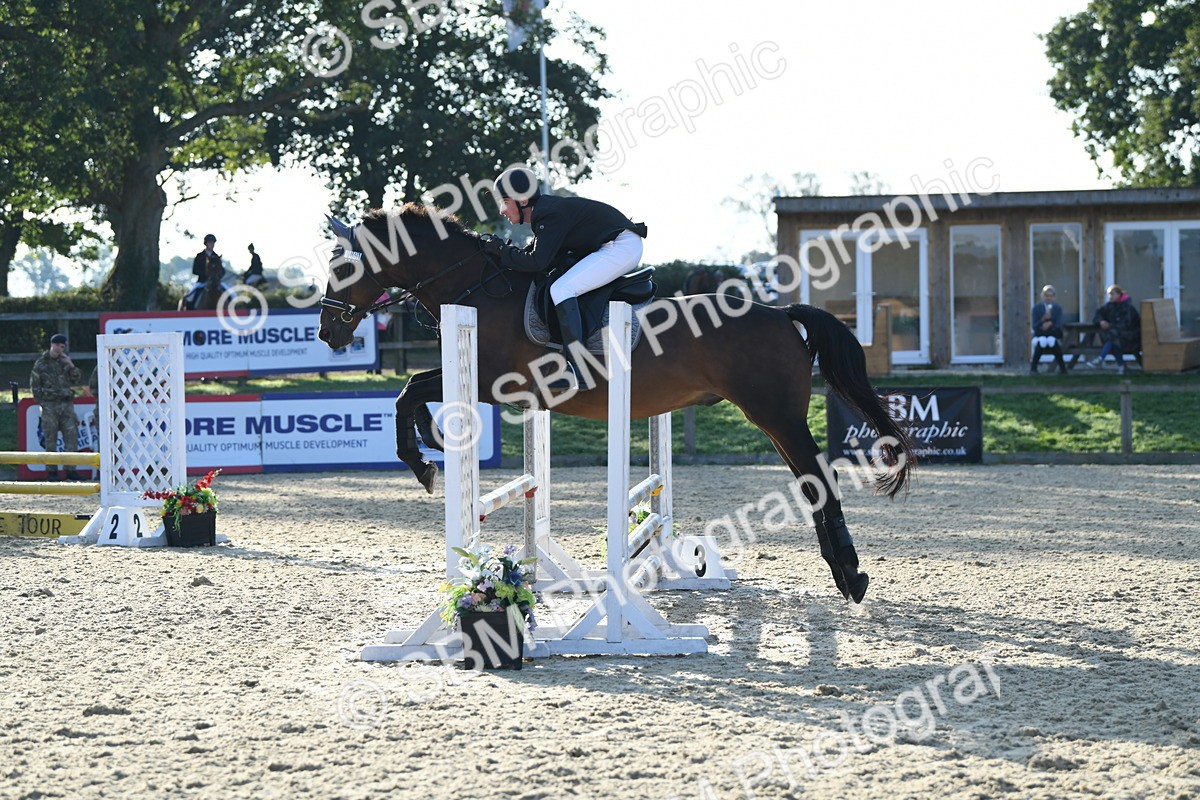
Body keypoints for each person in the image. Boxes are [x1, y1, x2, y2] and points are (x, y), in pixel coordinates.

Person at [483, 166, 647, 391]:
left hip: (621, 247)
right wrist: (504, 253)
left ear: (522, 200)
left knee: (562, 289)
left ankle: (579, 370)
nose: (501, 210)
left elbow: (537, 262)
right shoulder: (545, 213)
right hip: (616, 244)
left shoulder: (548, 214)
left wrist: (502, 251)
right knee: (561, 286)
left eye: (504, 202)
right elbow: (536, 258)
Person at [30, 333, 82, 481]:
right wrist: (42, 403)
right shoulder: (41, 363)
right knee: (50, 439)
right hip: (50, 405)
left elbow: (77, 380)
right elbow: (35, 385)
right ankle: (52, 472)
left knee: (71, 437)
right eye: (58, 345)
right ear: (52, 345)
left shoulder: (64, 361)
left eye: (62, 346)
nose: (60, 348)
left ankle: (70, 470)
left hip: (66, 404)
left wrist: (71, 364)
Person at [1087, 284, 1141, 374]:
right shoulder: (1109, 306)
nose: (1110, 297)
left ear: (1119, 294)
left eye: (1112, 294)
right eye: (1109, 294)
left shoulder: (1128, 307)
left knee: (1113, 338)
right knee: (1114, 339)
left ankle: (1101, 358)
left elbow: (1126, 324)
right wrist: (1101, 321)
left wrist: (1109, 325)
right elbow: (1098, 314)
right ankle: (1120, 367)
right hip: (1117, 335)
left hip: (1131, 337)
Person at [1030, 284, 1068, 374]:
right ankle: (1033, 368)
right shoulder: (1036, 308)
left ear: (1054, 297)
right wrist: (1042, 321)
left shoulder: (1057, 308)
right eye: (1046, 296)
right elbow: (1034, 326)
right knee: (1042, 341)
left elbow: (1059, 324)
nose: (1048, 298)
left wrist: (1051, 324)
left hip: (1052, 333)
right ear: (1042, 296)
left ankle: (1062, 368)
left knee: (1051, 340)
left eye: (1051, 296)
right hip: (1040, 333)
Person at [186, 233, 225, 308]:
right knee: (189, 297)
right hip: (202, 282)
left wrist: (218, 276)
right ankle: (189, 311)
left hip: (216, 283)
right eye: (210, 243)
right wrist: (206, 274)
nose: (212, 245)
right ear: (206, 244)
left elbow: (223, 270)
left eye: (213, 243)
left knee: (232, 294)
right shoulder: (199, 256)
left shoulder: (216, 256)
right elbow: (194, 270)